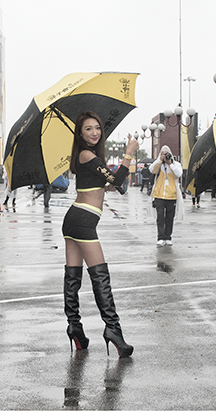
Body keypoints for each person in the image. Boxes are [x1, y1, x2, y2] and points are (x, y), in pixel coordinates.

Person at [62, 111, 138, 358]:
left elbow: (105, 183)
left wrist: (106, 187)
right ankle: (113, 329)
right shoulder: (86, 154)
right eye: (88, 129)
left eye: (97, 128)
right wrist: (129, 153)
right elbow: (117, 177)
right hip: (83, 221)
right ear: (80, 133)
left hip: (75, 219)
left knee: (73, 276)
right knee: (100, 275)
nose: (94, 132)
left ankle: (75, 327)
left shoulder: (87, 156)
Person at [150, 145, 182, 245]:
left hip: (171, 195)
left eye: (167, 154)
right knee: (160, 217)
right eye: (163, 154)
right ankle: (160, 237)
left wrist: (170, 164)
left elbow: (179, 174)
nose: (165, 156)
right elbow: (152, 170)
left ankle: (168, 237)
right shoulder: (159, 164)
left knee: (169, 217)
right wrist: (159, 160)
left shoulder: (176, 164)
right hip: (159, 195)